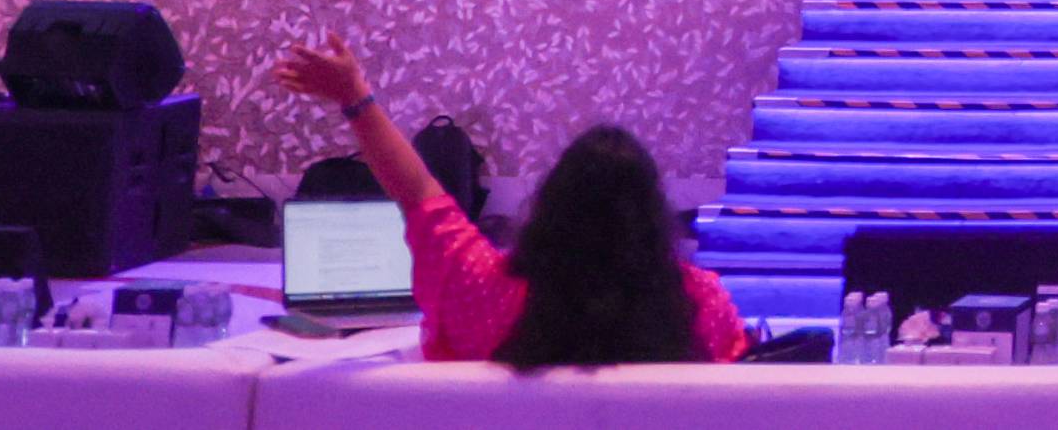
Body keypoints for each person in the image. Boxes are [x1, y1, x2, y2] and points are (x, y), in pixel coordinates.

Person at [272, 37, 747, 366]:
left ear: (550, 209)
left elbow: (416, 191)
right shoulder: (701, 304)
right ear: (653, 220)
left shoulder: (480, 287)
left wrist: (355, 98)